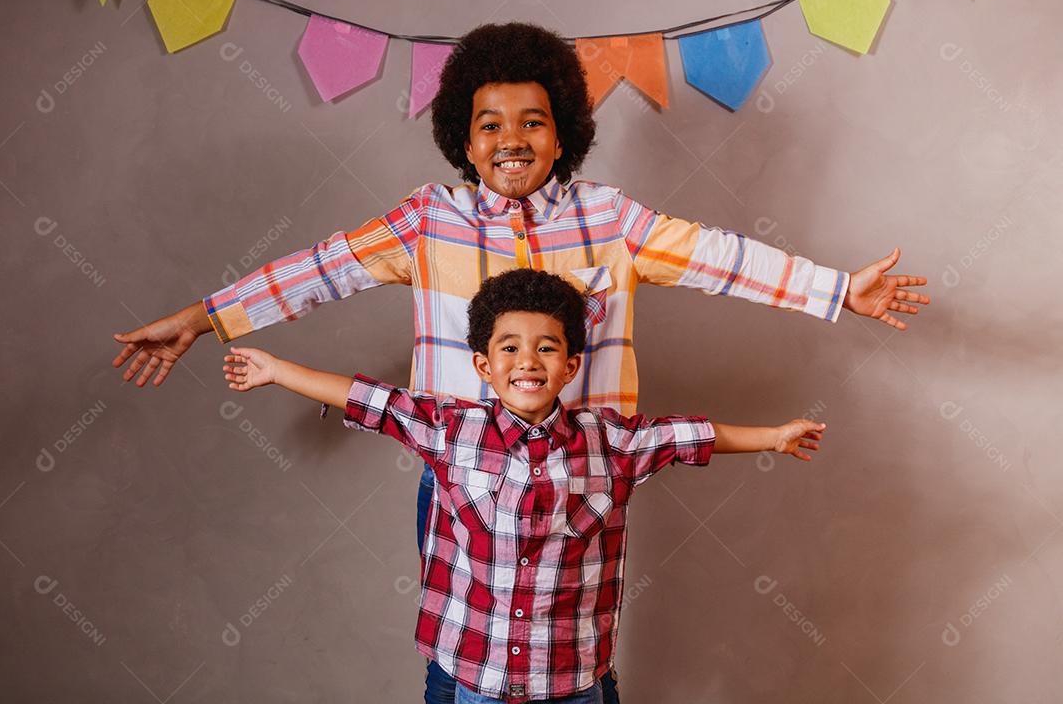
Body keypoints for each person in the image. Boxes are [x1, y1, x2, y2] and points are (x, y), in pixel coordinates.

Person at [112, 22, 927, 702]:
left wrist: (835, 290)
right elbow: (316, 270)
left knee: (572, 649)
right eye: (489, 124)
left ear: (563, 131)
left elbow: (719, 258)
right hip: (459, 474)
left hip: (586, 476)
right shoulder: (426, 221)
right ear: (461, 140)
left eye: (533, 121)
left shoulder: (610, 219)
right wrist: (202, 319)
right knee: (465, 647)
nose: (512, 140)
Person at [221, 268, 827, 704]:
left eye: (546, 347)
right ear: (484, 365)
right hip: (472, 679)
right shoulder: (450, 429)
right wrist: (276, 371)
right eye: (509, 347)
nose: (528, 360)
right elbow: (369, 400)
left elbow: (692, 434)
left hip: (572, 682)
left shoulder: (612, 442)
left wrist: (773, 436)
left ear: (570, 365)